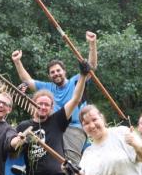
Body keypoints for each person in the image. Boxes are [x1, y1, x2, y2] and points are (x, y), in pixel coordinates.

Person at [12, 31, 97, 165]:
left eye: (58, 70)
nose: (56, 74)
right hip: (53, 128)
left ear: (64, 71)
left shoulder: (76, 81)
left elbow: (90, 67)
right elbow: (27, 80)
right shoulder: (47, 87)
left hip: (74, 128)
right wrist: (17, 62)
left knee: (69, 161)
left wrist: (92, 44)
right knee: (44, 154)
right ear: (49, 75)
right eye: (52, 72)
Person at [15, 61, 90, 175]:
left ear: (51, 108)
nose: (42, 107)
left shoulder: (56, 120)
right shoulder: (24, 125)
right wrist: (17, 61)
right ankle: (26, 168)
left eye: (46, 105)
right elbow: (12, 147)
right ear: (32, 104)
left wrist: (83, 75)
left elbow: (75, 99)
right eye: (39, 104)